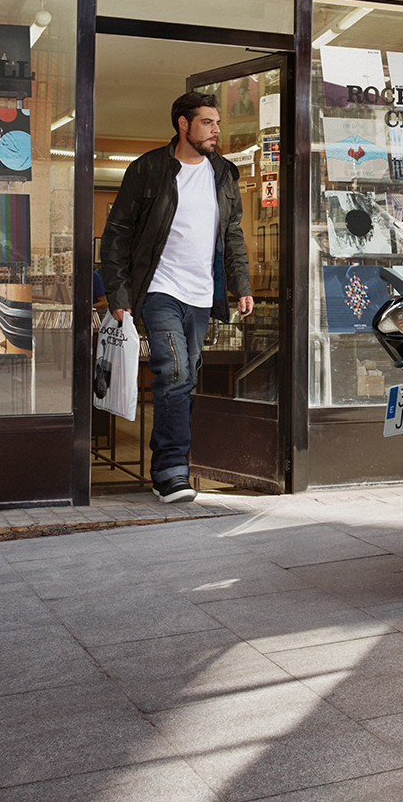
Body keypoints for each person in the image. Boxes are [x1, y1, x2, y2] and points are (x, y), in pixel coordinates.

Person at [100, 92, 252, 503]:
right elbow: (117, 235)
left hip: (203, 295)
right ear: (183, 125)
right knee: (174, 374)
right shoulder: (149, 170)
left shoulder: (223, 174)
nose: (216, 129)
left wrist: (242, 285)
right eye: (207, 122)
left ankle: (168, 466)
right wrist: (118, 293)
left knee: (185, 381)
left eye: (217, 122)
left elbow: (232, 234)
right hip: (159, 290)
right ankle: (172, 471)